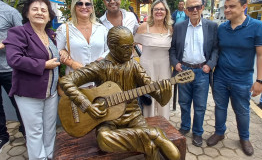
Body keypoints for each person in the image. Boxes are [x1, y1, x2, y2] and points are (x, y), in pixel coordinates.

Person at [59, 26, 180, 160]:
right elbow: (66, 81)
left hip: (133, 117)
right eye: (125, 48)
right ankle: (152, 134)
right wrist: (86, 105)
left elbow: (160, 98)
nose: (130, 52)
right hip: (107, 119)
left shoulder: (134, 66)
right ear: (111, 46)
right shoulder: (100, 67)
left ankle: (147, 137)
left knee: (147, 144)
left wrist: (166, 92)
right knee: (103, 139)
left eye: (131, 46)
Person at [206, 0, 262, 156]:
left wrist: (260, 81)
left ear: (244, 7)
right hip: (220, 76)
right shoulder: (222, 28)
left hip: (242, 79)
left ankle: (244, 138)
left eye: (231, 6)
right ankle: (219, 132)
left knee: (242, 110)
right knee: (220, 107)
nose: (227, 10)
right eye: (226, 7)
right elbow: (216, 50)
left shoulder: (257, 27)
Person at [3, 0, 60, 159]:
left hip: (51, 92)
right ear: (27, 13)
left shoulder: (50, 35)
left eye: (44, 10)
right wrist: (43, 65)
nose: (40, 13)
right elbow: (14, 59)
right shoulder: (18, 32)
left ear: (49, 16)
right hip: (29, 92)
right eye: (35, 9)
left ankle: (49, 155)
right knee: (35, 131)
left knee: (49, 129)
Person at [169, 0, 218, 147]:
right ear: (186, 10)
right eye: (191, 8)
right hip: (183, 69)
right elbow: (173, 49)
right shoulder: (179, 27)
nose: (194, 10)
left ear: (203, 7)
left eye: (197, 6)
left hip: (202, 71)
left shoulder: (211, 26)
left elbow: (216, 48)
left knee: (200, 105)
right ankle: (184, 127)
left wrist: (209, 65)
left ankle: (197, 132)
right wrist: (175, 63)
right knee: (184, 102)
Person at [134, 0, 173, 120]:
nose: (159, 12)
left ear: (166, 12)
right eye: (156, 9)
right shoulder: (144, 27)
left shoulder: (170, 29)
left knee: (164, 97)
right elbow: (131, 45)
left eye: (162, 9)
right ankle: (148, 126)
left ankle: (164, 125)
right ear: (152, 12)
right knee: (148, 98)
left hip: (164, 68)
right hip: (147, 68)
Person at [56, 0, 109, 82]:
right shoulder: (64, 29)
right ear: (74, 7)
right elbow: (56, 52)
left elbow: (110, 49)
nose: (84, 7)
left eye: (87, 4)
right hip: (76, 82)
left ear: (92, 8)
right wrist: (70, 62)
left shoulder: (102, 29)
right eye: (80, 4)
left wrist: (103, 58)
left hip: (100, 81)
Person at [0, 0, 25, 152]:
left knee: (19, 104)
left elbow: (23, 36)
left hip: (10, 68)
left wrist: (4, 43)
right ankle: (2, 135)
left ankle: (26, 133)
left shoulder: (10, 12)